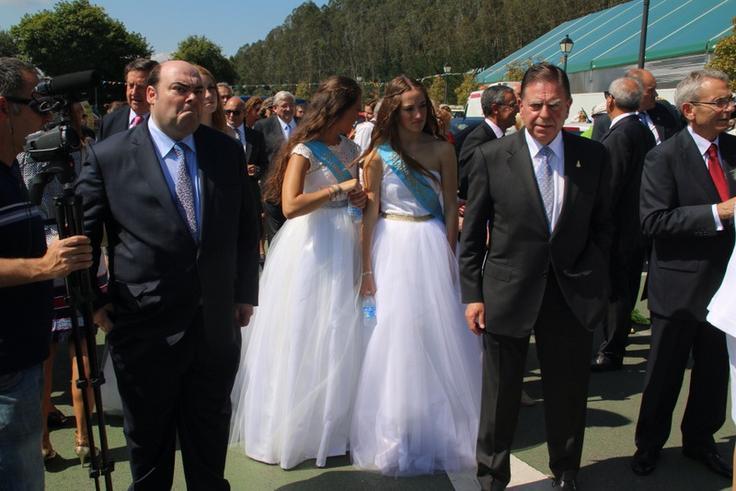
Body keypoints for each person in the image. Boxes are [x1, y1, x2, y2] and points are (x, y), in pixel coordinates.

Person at [76, 60, 260, 490]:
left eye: (199, 90)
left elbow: (244, 228)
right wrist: (97, 301)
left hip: (214, 325)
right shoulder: (110, 156)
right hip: (143, 327)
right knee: (150, 444)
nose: (193, 98)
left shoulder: (224, 150)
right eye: (180, 88)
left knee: (209, 436)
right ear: (153, 95)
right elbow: (83, 238)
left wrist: (243, 293)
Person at [460, 62, 612, 491]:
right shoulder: (492, 157)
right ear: (519, 106)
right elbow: (471, 237)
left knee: (567, 391)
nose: (544, 114)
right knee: (499, 398)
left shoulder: (593, 156)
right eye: (535, 105)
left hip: (571, 293)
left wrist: (594, 279)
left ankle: (567, 471)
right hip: (506, 294)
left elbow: (606, 227)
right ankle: (492, 477)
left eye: (554, 105)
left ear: (567, 108)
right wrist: (473, 294)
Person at [230, 75, 366, 469]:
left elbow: (353, 192)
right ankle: (293, 429)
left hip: (346, 242)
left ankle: (334, 427)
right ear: (338, 109)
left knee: (341, 332)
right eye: (354, 107)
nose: (358, 114)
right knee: (305, 331)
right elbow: (290, 205)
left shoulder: (352, 146)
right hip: (311, 246)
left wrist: (357, 194)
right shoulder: (304, 150)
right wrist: (339, 190)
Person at [350, 75, 481, 476]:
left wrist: (451, 255)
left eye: (422, 106)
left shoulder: (443, 150)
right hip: (392, 245)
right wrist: (366, 268)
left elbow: (451, 208)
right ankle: (396, 433)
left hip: (431, 241)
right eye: (409, 108)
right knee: (395, 336)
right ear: (393, 110)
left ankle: (439, 426)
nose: (418, 114)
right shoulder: (376, 157)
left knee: (437, 335)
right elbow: (368, 216)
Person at [631, 69, 736, 480]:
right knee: (665, 373)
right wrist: (717, 212)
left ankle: (700, 440)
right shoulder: (664, 156)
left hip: (724, 288)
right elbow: (653, 220)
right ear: (690, 110)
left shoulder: (732, 150)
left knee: (713, 373)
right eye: (722, 101)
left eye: (731, 99)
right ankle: (649, 446)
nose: (730, 107)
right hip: (678, 286)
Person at [0, 56, 92, 491]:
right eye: (36, 103)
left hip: (23, 355)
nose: (46, 115)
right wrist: (43, 266)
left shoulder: (13, 169)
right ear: (4, 107)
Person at [18, 101, 103, 465]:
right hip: (68, 250)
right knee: (78, 351)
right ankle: (82, 439)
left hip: (50, 249)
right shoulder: (80, 153)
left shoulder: (24, 154)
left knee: (52, 355)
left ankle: (49, 442)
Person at [591, 77, 656, 372]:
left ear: (610, 101)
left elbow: (611, 186)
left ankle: (610, 350)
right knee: (625, 286)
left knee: (616, 289)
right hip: (635, 224)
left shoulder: (620, 135)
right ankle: (614, 344)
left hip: (619, 227)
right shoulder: (642, 130)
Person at [458, 85, 518, 200]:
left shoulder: (500, 138)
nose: (517, 110)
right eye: (512, 105)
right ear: (495, 109)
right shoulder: (478, 139)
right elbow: (468, 180)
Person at [592, 68, 682, 144]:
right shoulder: (604, 123)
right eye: (651, 90)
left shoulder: (664, 110)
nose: (656, 94)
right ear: (634, 91)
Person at [254, 90, 299, 239]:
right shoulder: (263, 126)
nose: (288, 109)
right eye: (284, 106)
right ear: (275, 109)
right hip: (273, 188)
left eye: (291, 105)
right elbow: (258, 155)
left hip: (300, 187)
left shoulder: (303, 125)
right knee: (276, 233)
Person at [98, 58, 158, 140]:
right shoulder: (109, 122)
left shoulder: (168, 124)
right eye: (131, 85)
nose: (134, 92)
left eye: (141, 87)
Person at [194, 64, 235, 138]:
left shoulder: (228, 133)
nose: (209, 95)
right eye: (200, 90)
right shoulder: (183, 135)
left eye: (211, 88)